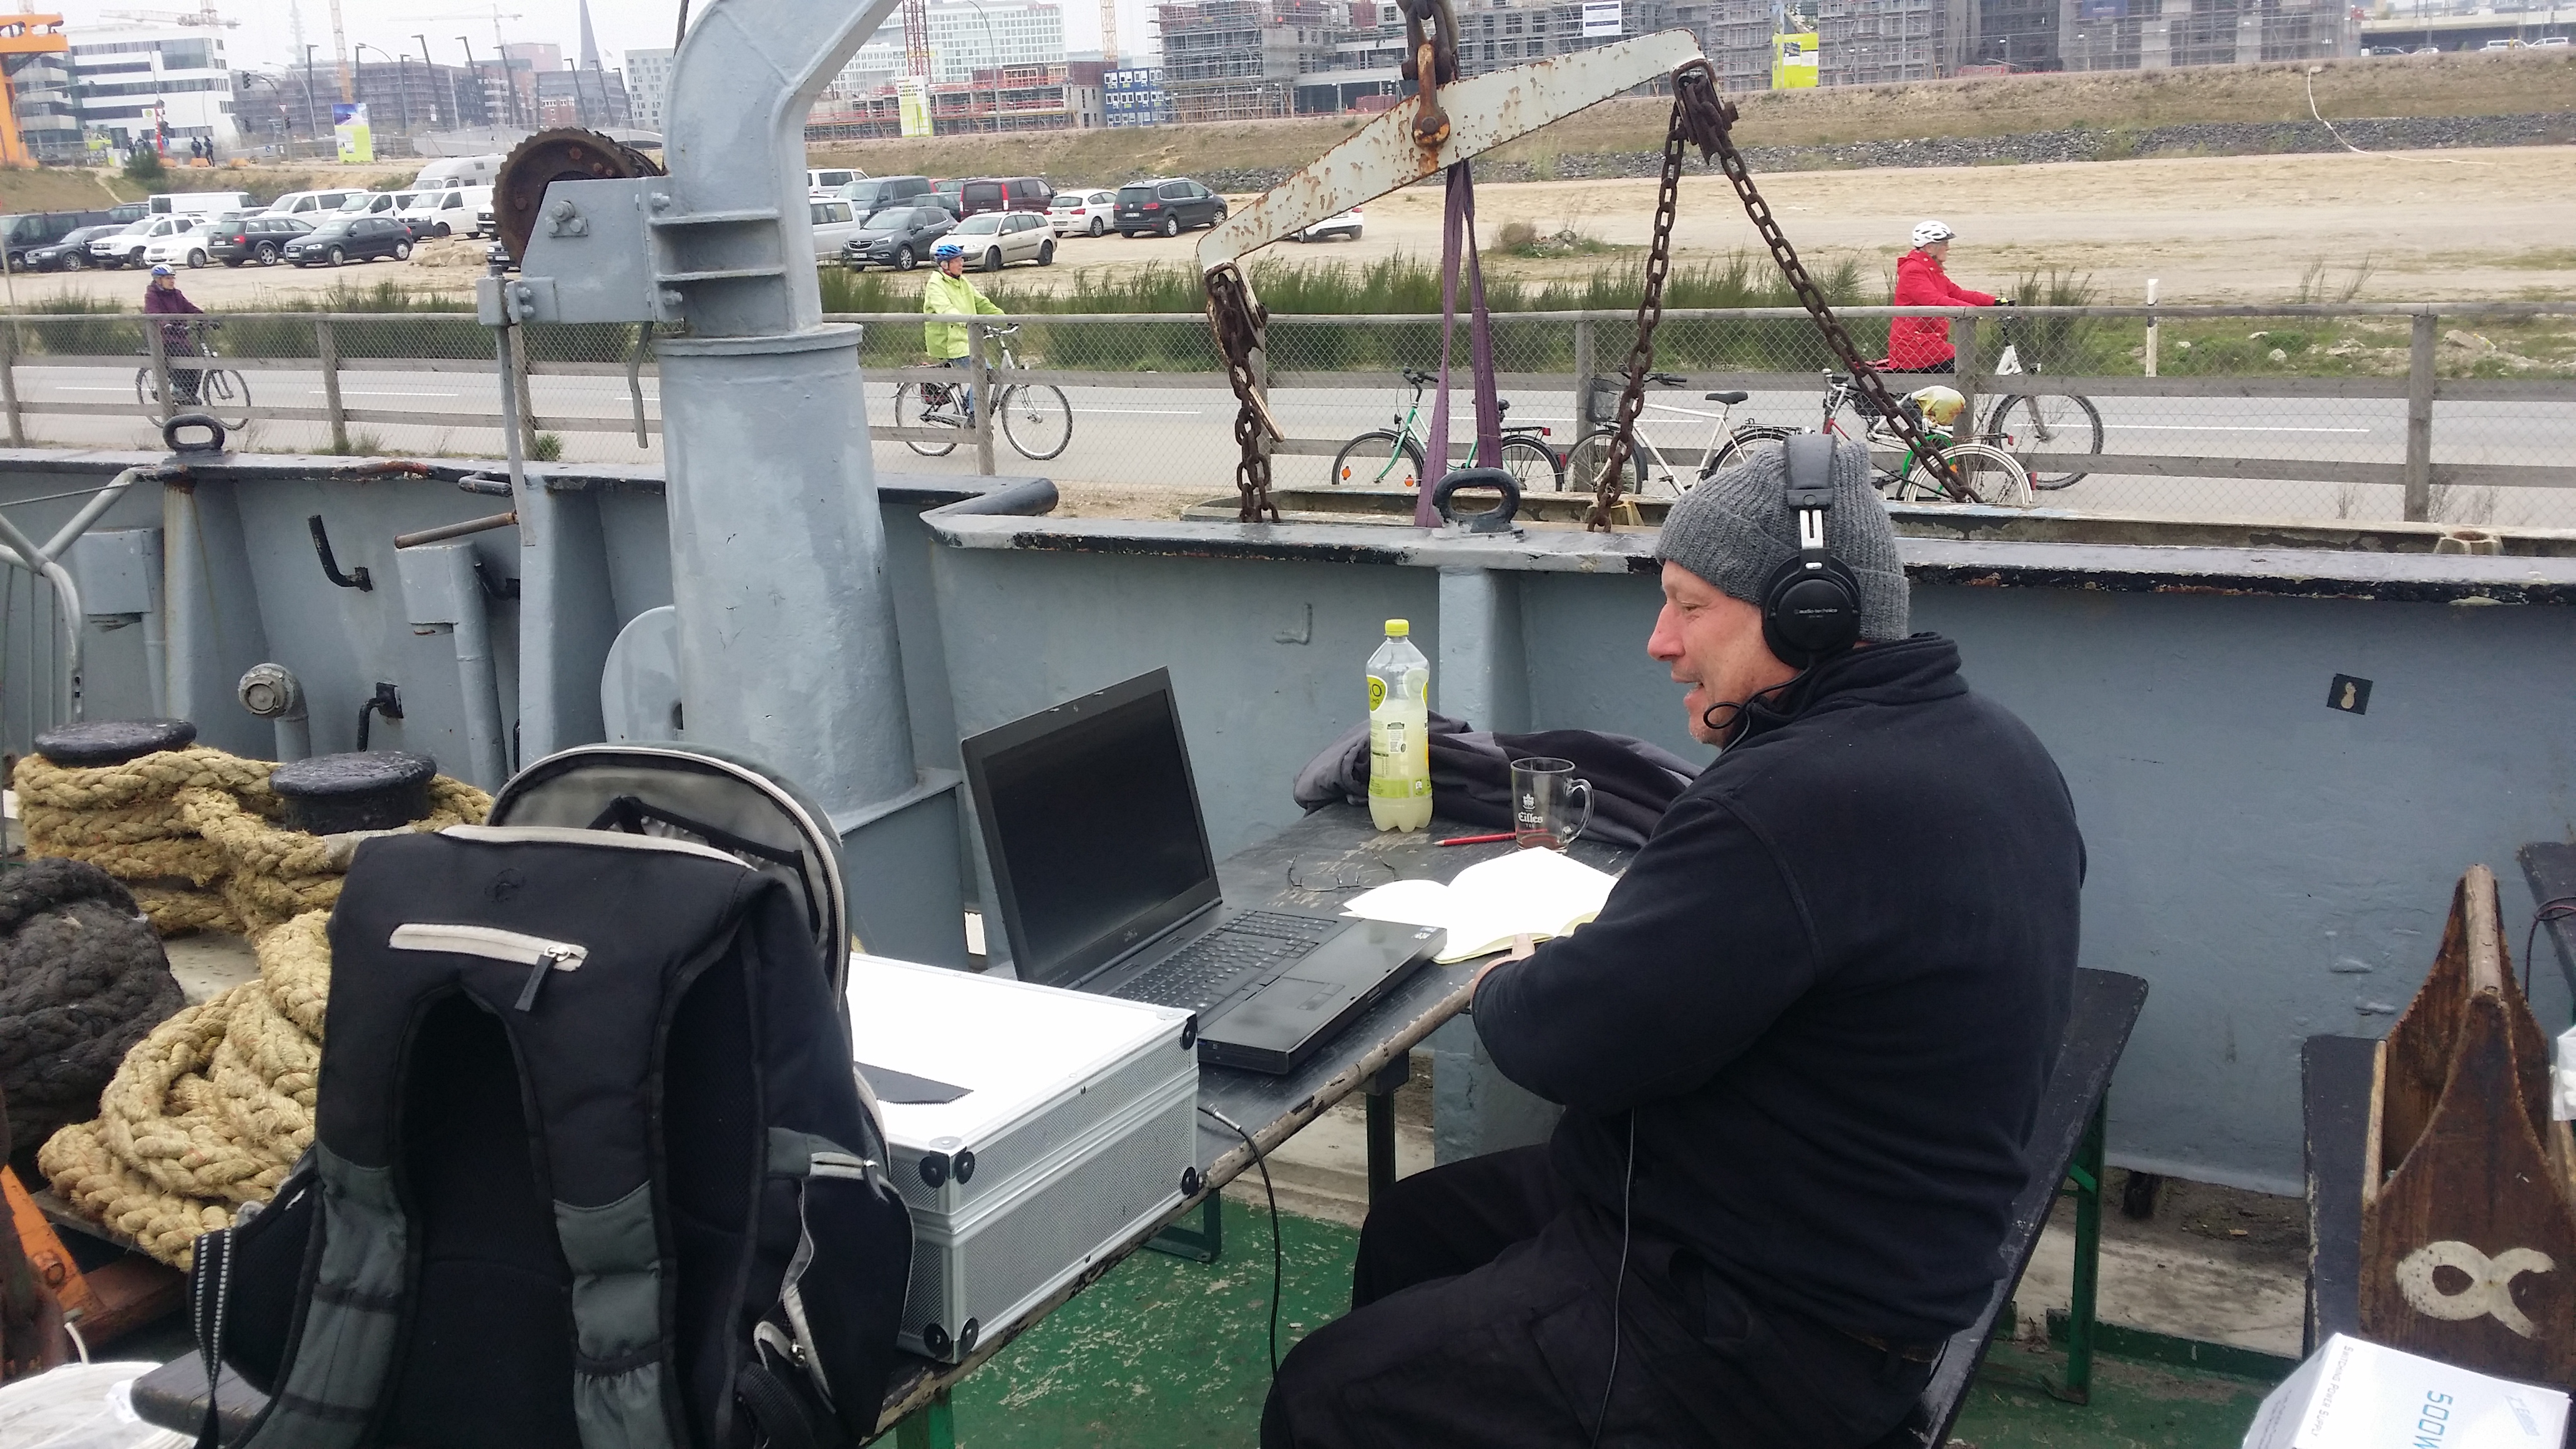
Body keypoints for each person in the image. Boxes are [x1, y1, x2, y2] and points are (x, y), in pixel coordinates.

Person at [1261, 436, 2086, 1449]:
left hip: (1767, 1326)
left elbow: (1563, 1045)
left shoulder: (1789, 800)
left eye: (1689, 606)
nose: (1659, 641)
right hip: (1842, 1254)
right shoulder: (1994, 746)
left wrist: (1511, 978)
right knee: (1416, 1227)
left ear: (1807, 613)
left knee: (1324, 1395)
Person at [1887, 219, 2007, 374]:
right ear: (1930, 247)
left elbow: (1958, 294)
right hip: (1914, 346)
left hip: (1927, 343)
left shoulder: (1930, 270)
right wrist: (1970, 311)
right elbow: (1935, 301)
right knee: (1961, 363)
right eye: (1944, 244)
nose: (1948, 248)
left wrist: (1994, 302)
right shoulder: (1914, 271)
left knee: (1961, 362)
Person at [920, 241, 1002, 421]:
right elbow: (946, 310)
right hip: (949, 341)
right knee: (983, 371)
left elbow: (981, 302)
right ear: (945, 265)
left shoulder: (962, 281)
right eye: (956, 261)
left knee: (982, 372)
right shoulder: (936, 284)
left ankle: (967, 406)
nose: (961, 264)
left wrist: (1004, 318)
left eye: (961, 260)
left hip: (967, 338)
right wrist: (967, 322)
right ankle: (974, 416)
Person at [142, 263, 207, 406]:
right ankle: (177, 390)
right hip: (162, 338)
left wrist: (205, 317)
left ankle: (188, 395)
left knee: (197, 363)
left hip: (180, 336)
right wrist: (167, 325)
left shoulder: (176, 294)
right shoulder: (152, 296)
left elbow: (189, 307)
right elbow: (154, 314)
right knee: (182, 359)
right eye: (167, 278)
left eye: (172, 278)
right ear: (158, 280)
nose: (171, 281)